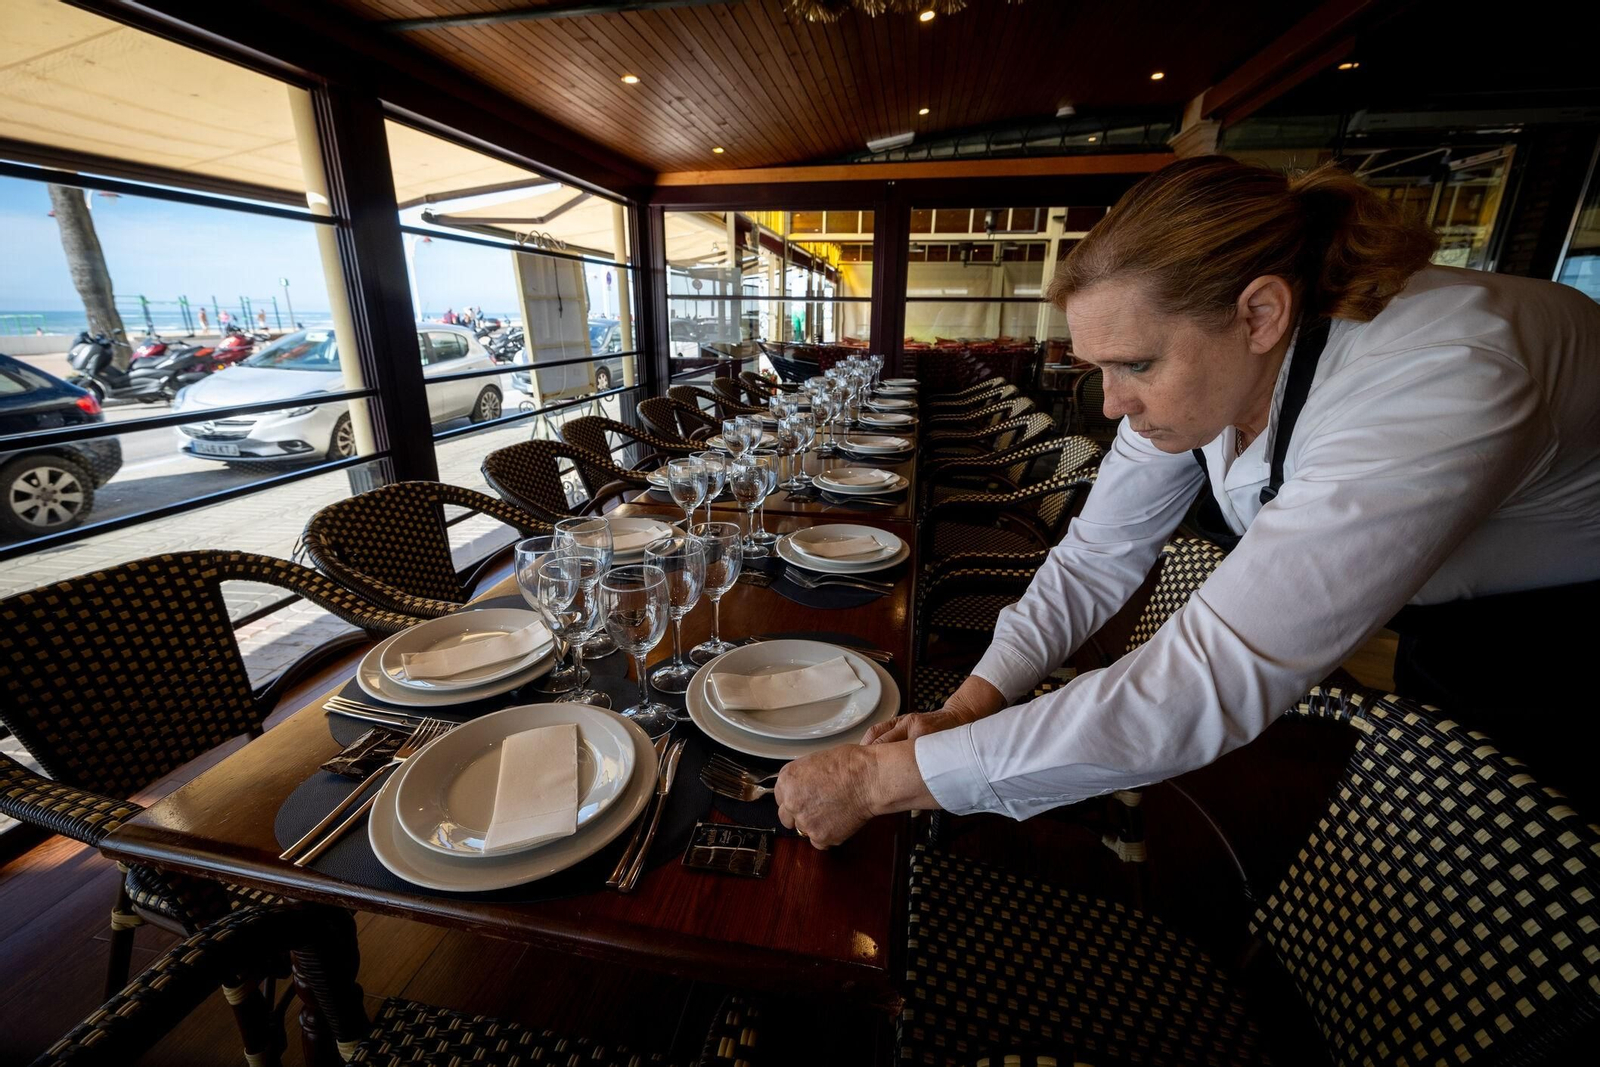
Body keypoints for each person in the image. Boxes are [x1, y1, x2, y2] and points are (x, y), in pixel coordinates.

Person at [775, 155, 1600, 846]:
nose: (1110, 404)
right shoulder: (1213, 365)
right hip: (1443, 600)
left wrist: (880, 779)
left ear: (1260, 314)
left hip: (1556, 628)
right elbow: (1096, 555)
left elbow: (1212, 676)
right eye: (1101, 367)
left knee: (1522, 852)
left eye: (1134, 365)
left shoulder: (1442, 375)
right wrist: (968, 705)